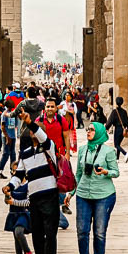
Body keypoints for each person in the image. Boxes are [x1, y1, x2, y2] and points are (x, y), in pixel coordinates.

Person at [3, 99, 60, 254]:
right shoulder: (26, 153)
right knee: (37, 233)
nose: (34, 132)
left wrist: (29, 122)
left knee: (50, 232)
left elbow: (42, 136)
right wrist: (9, 186)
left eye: (37, 129)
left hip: (50, 195)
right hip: (34, 197)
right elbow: (19, 174)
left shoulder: (49, 148)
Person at [71, 121, 119, 254]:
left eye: (92, 130)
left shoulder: (108, 151)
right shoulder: (83, 149)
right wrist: (71, 192)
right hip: (83, 194)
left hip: (103, 195)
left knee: (99, 231)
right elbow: (78, 173)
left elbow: (115, 172)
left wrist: (105, 171)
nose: (88, 132)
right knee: (82, 230)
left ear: (98, 132)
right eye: (87, 129)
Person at [37, 96, 71, 229]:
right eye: (48, 106)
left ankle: (62, 204)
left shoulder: (61, 120)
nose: (50, 109)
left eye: (52, 106)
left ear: (56, 108)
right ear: (45, 108)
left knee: (60, 181)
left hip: (58, 156)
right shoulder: (39, 120)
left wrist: (67, 153)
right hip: (44, 157)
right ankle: (57, 209)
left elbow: (66, 136)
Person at [3, 162, 33, 254]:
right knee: (16, 238)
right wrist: (7, 195)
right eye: (13, 171)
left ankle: (28, 251)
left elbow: (29, 202)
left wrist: (14, 202)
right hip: (13, 214)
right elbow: (7, 201)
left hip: (24, 214)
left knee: (18, 231)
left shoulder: (29, 185)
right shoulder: (11, 185)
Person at [0, 97, 18, 179]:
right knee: (6, 154)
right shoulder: (4, 114)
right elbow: (3, 127)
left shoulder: (12, 113)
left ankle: (13, 170)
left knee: (13, 154)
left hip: (12, 136)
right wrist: (7, 137)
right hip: (7, 136)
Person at [106, 96, 128, 161]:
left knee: (116, 145)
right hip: (123, 130)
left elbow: (110, 121)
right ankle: (117, 159)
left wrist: (106, 127)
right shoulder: (124, 111)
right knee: (118, 144)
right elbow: (127, 121)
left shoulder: (114, 111)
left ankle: (125, 153)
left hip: (117, 129)